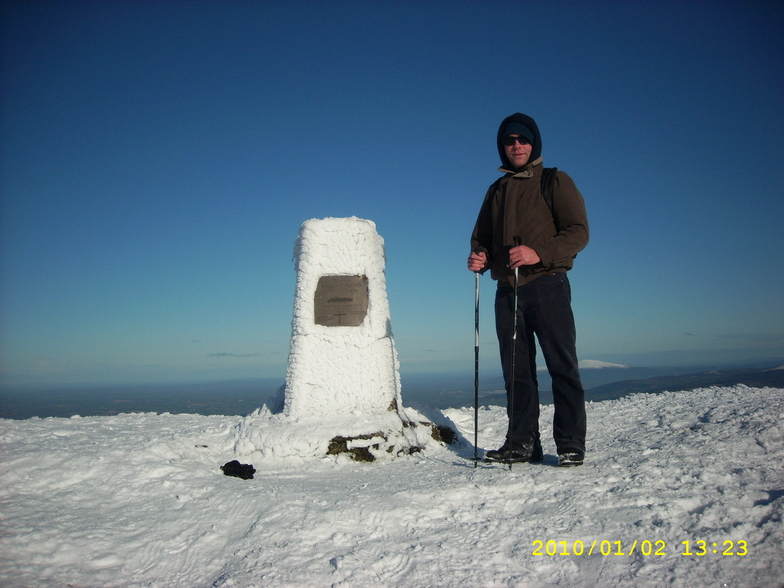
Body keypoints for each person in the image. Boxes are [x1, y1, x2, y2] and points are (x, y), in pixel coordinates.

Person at [467, 112, 589, 467]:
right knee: (516, 371)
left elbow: (578, 232)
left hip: (547, 284)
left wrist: (539, 252)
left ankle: (570, 443)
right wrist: (480, 257)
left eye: (522, 139)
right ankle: (522, 442)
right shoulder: (497, 190)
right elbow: (482, 238)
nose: (516, 146)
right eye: (509, 141)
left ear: (534, 144)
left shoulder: (554, 180)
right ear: (502, 147)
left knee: (561, 366)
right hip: (507, 290)